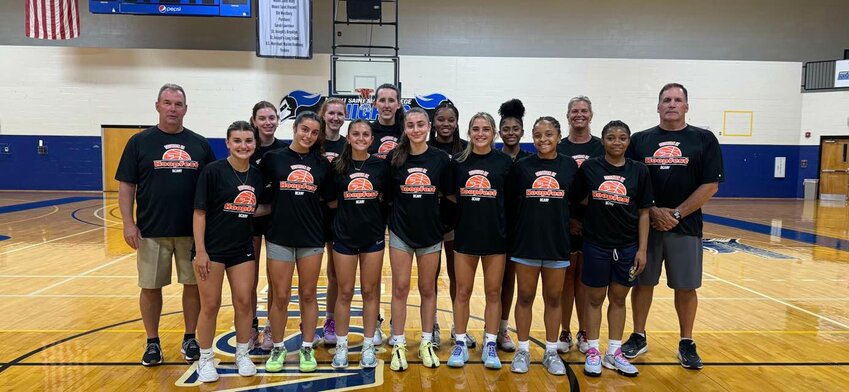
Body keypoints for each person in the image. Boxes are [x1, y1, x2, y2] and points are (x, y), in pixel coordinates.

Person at [622, 83, 724, 370]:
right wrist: (653, 211)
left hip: (686, 227)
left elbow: (711, 185)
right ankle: (638, 335)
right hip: (646, 226)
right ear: (657, 106)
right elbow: (630, 182)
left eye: (677, 100)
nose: (671, 104)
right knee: (643, 283)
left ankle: (686, 341)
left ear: (686, 106)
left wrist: (676, 214)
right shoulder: (640, 141)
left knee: (686, 287)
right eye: (666, 100)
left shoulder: (704, 140)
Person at [116, 83, 216, 366]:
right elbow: (126, 186)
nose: (173, 108)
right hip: (151, 230)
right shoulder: (139, 142)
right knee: (150, 287)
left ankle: (190, 338)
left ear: (186, 108)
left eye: (178, 104)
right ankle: (152, 342)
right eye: (168, 103)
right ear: (157, 106)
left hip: (192, 233)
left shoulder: (200, 144)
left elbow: (212, 187)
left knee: (193, 286)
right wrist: (128, 223)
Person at [576, 120, 653, 378]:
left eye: (622, 138)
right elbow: (577, 198)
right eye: (611, 137)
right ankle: (594, 351)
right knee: (595, 299)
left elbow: (643, 212)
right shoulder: (590, 168)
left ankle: (614, 351)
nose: (616, 142)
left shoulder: (639, 171)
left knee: (618, 299)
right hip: (596, 244)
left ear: (628, 141)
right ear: (603, 141)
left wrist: (642, 249)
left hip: (628, 246)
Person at [259, 111, 333, 373]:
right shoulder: (272, 159)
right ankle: (278, 348)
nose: (308, 136)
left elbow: (331, 201)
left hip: (312, 237)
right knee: (280, 296)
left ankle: (306, 347)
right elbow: (258, 195)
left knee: (309, 294)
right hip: (279, 236)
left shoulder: (323, 164)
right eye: (304, 129)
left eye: (314, 132)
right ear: (294, 128)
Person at [192, 121, 265, 382]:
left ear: (255, 144)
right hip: (211, 249)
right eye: (237, 141)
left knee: (244, 302)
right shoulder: (212, 172)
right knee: (210, 305)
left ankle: (242, 353)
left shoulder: (256, 175)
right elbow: (199, 213)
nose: (243, 146)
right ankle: (205, 358)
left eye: (248, 141)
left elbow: (257, 207)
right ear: (227, 143)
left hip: (241, 248)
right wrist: (200, 251)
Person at [507, 116, 578, 376]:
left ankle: (550, 351)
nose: (543, 139)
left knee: (554, 298)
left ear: (559, 136)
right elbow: (512, 203)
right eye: (538, 135)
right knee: (524, 296)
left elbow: (578, 200)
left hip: (557, 243)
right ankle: (523, 349)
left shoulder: (570, 166)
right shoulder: (522, 167)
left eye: (549, 134)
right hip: (526, 242)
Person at [444, 112, 512, 369]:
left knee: (493, 293)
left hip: (496, 236)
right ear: (469, 132)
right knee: (462, 291)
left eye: (486, 129)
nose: (480, 133)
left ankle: (491, 343)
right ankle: (460, 343)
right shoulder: (458, 162)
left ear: (493, 132)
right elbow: (450, 194)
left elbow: (510, 197)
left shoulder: (505, 163)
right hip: (466, 235)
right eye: (476, 128)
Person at [386, 107, 452, 371]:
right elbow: (388, 196)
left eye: (420, 125)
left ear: (429, 127)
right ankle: (399, 342)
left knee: (428, 289)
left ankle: (426, 340)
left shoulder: (440, 159)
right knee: (400, 289)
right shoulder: (395, 158)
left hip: (430, 234)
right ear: (405, 128)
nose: (415, 129)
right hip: (401, 232)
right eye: (410, 125)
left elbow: (447, 195)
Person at [328, 120, 390, 369]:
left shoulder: (381, 166)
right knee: (344, 293)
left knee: (369, 292)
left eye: (366, 134)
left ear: (372, 139)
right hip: (343, 237)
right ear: (348, 137)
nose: (361, 138)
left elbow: (386, 199)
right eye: (356, 134)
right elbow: (331, 201)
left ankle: (367, 346)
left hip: (372, 237)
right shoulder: (337, 167)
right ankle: (341, 347)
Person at [555, 96, 604, 354]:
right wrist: (570, 219)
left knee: (586, 279)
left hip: (594, 224)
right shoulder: (559, 147)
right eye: (574, 110)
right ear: (567, 115)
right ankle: (564, 330)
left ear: (591, 114)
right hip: (563, 222)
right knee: (566, 278)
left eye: (584, 110)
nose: (579, 115)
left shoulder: (601, 147)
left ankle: (585, 331)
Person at [427, 100, 469, 349]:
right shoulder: (425, 147)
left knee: (457, 277)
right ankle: (431, 324)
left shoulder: (465, 149)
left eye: (450, 120)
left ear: (456, 122)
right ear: (433, 123)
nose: (446, 124)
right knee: (430, 278)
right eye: (441, 119)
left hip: (458, 222)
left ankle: (458, 326)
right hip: (429, 222)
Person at [249, 100, 289, 351]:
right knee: (249, 279)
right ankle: (251, 326)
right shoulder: (245, 147)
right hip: (249, 221)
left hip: (275, 220)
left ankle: (271, 327)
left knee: (275, 281)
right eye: (262, 118)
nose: (267, 122)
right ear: (254, 121)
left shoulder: (283, 151)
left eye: (272, 118)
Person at [494, 98, 530, 353]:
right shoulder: (494, 160)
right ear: (499, 132)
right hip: (498, 229)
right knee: (499, 282)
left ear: (522, 131)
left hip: (525, 230)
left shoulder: (530, 161)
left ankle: (504, 328)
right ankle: (496, 329)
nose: (510, 133)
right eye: (505, 129)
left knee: (518, 285)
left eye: (515, 129)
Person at [318, 97, 348, 346]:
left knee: (334, 274)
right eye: (332, 113)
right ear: (323, 114)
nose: (336, 118)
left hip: (337, 216)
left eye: (340, 114)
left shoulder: (348, 146)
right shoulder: (313, 141)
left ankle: (330, 319)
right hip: (310, 215)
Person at [369, 83, 404, 160]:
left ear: (398, 104)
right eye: (382, 100)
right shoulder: (367, 131)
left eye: (391, 100)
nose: (386, 105)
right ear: (375, 104)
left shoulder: (406, 132)